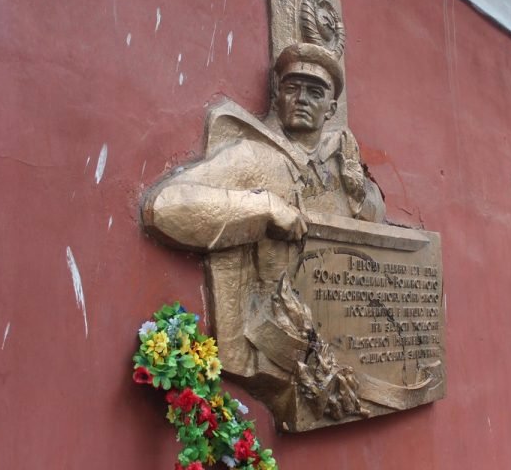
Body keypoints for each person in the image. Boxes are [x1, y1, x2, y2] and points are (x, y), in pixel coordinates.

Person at [142, 42, 385, 388]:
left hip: (336, 350)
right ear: (277, 97)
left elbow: (380, 236)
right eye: (292, 88)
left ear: (331, 109)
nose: (301, 99)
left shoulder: (339, 170)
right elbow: (164, 206)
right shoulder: (251, 157)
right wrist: (263, 208)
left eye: (315, 93)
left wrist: (359, 190)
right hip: (271, 350)